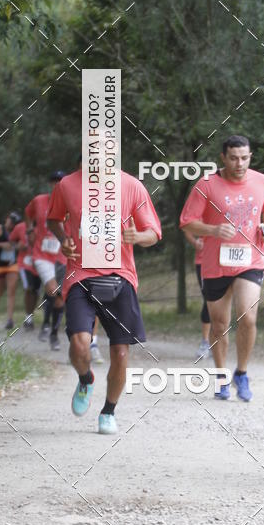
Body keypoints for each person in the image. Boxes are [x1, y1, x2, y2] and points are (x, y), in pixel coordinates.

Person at [47, 164, 161, 435]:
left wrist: (138, 236)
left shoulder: (132, 186)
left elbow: (154, 232)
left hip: (120, 276)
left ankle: (108, 411)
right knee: (80, 343)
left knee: (121, 353)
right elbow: (54, 218)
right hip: (81, 274)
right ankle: (86, 379)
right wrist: (64, 239)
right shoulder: (67, 185)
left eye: (107, 149)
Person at [179, 135, 264, 401]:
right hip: (215, 263)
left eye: (244, 157)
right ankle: (222, 376)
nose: (239, 163)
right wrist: (212, 229)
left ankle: (242, 373)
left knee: (248, 317)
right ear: (223, 157)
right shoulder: (207, 184)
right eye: (233, 158)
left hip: (251, 260)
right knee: (220, 323)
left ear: (250, 156)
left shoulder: (262, 181)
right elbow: (187, 222)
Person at [25, 172, 67, 350]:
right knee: (52, 289)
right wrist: (29, 230)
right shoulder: (39, 201)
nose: (56, 186)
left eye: (60, 183)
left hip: (62, 256)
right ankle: (47, 325)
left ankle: (52, 332)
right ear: (50, 184)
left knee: (60, 298)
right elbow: (28, 214)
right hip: (42, 255)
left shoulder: (71, 203)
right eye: (53, 182)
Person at [183, 229, 211, 358]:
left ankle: (217, 342)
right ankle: (205, 343)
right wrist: (195, 242)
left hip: (226, 259)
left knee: (222, 302)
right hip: (204, 260)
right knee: (209, 299)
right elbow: (186, 225)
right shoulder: (203, 208)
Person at [9, 220, 40, 329]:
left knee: (36, 291)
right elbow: (11, 241)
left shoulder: (45, 226)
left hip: (40, 263)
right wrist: (18, 246)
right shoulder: (20, 227)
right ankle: (28, 318)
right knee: (28, 288)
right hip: (24, 263)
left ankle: (30, 317)